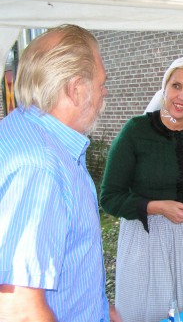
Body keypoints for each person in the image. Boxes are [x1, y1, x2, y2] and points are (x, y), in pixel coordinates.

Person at [100, 57, 183, 322]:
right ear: (164, 87)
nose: (182, 97)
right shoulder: (135, 131)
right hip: (147, 236)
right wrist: (157, 207)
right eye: (176, 86)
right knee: (150, 312)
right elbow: (109, 197)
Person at [0, 25, 121, 321]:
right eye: (101, 83)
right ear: (76, 88)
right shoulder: (40, 167)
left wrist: (106, 312)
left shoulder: (24, 129)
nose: (105, 92)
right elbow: (19, 309)